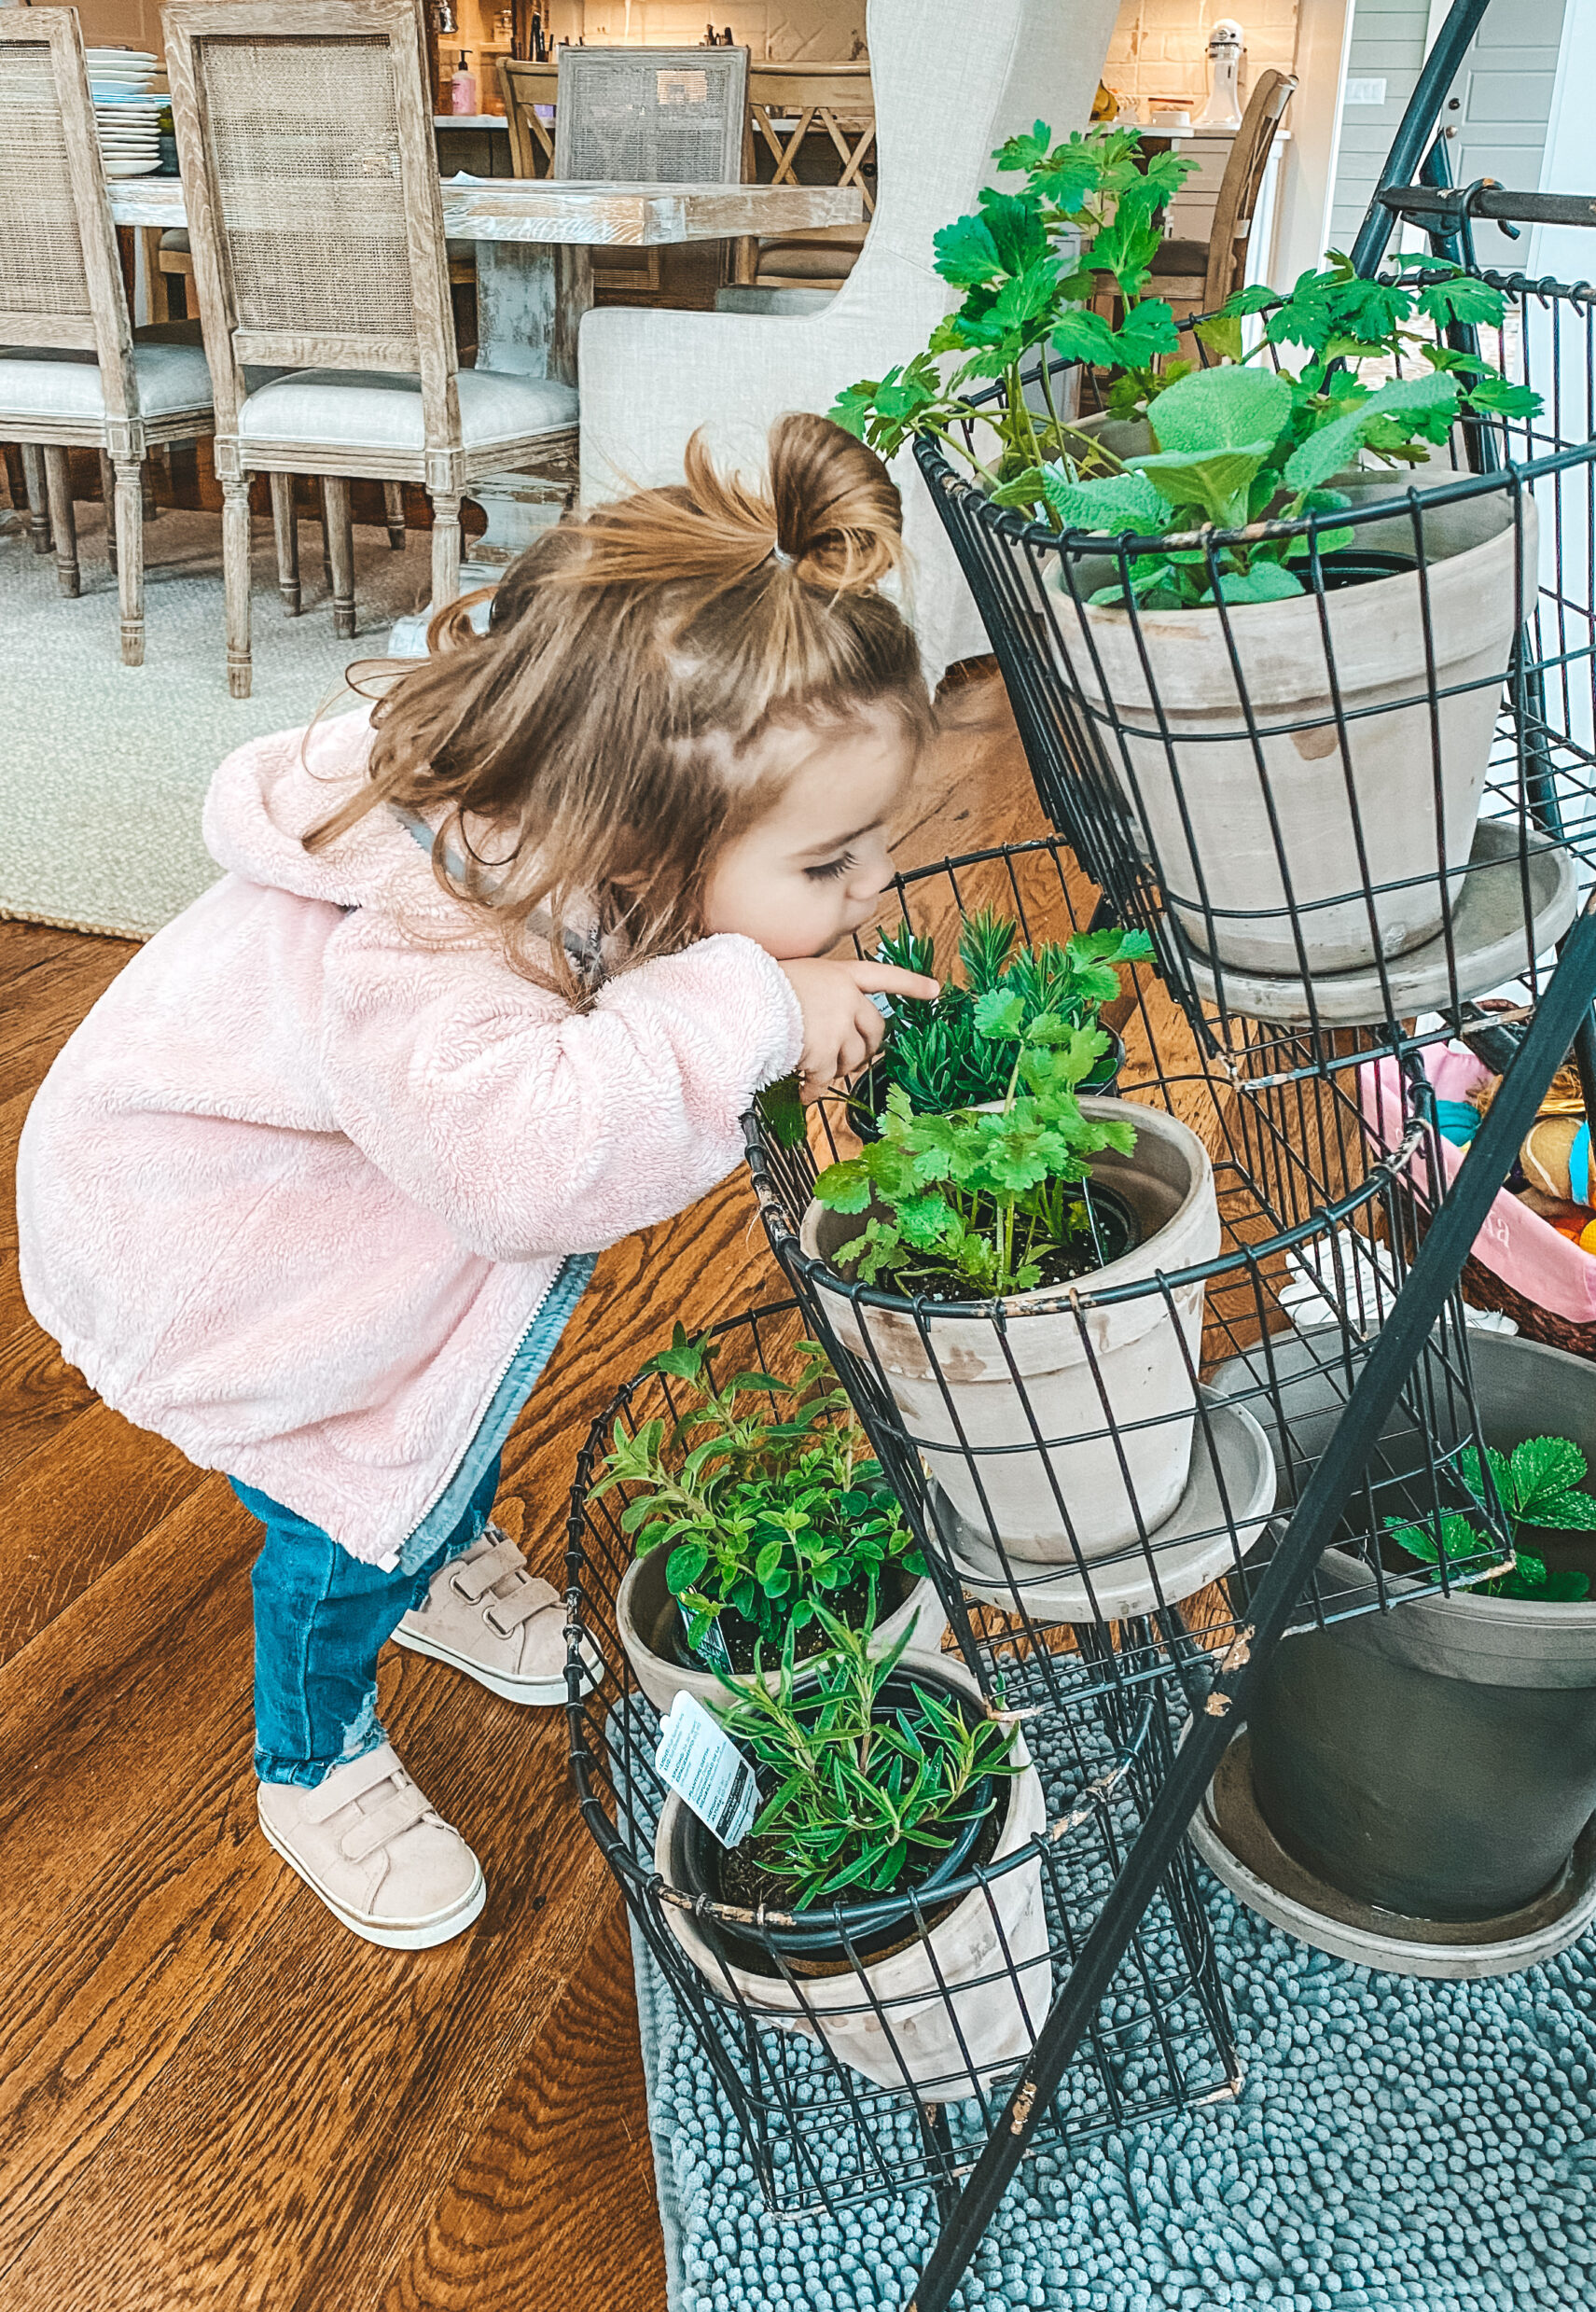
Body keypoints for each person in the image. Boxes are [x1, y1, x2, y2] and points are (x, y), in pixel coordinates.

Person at [17, 412, 941, 1952]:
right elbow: (524, 1166)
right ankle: (314, 1758)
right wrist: (758, 1008)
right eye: (835, 864)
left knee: (438, 1431)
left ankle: (439, 1558)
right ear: (649, 828)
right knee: (343, 1511)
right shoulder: (430, 943)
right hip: (216, 1248)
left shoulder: (579, 840)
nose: (874, 892)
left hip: (338, 1214)